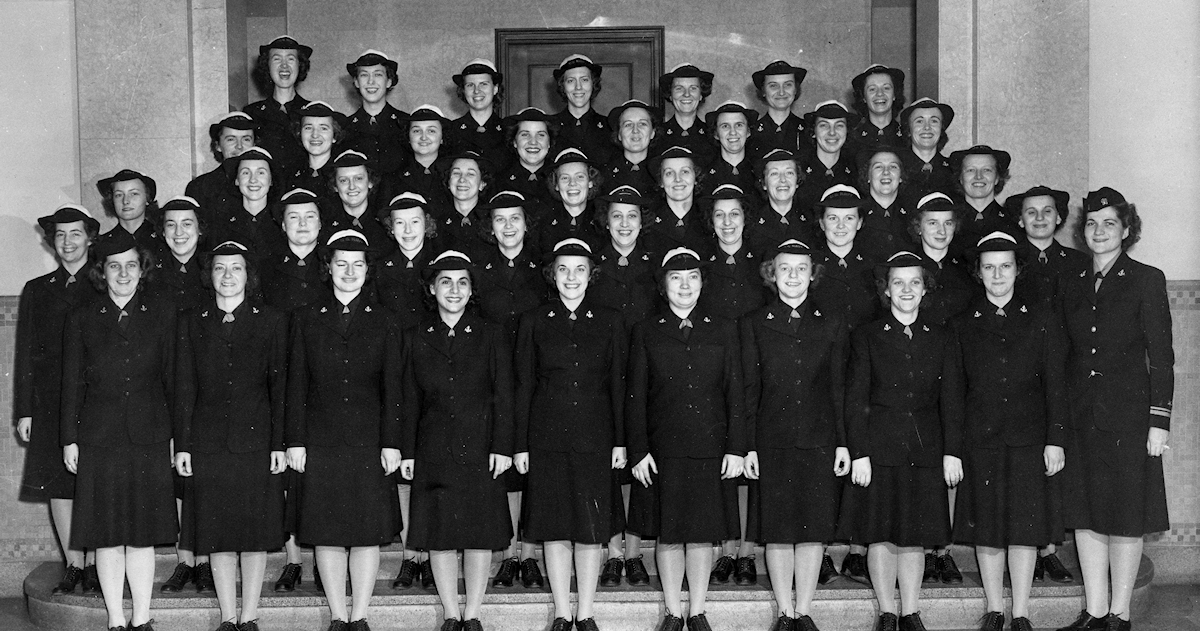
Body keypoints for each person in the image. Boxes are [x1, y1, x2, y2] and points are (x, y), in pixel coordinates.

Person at [1055, 188, 1174, 631]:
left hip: (1129, 418)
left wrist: (1158, 422)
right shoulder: (1070, 281)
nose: (1099, 231)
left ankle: (1120, 614)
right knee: (1085, 513)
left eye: (1109, 223)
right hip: (1081, 415)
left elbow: (1162, 356)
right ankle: (1096, 610)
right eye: (1091, 223)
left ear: (1126, 229)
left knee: (1125, 515)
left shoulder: (1146, 279)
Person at [837, 250, 964, 631]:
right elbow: (856, 398)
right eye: (898, 282)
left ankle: (910, 611)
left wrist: (952, 452)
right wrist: (859, 453)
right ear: (886, 290)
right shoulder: (867, 336)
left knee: (915, 535)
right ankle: (887, 610)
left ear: (925, 289)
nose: (906, 289)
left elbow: (952, 399)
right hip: (880, 448)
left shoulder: (941, 336)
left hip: (926, 450)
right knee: (880, 534)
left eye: (914, 282)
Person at [949, 232, 1068, 631]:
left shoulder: (1041, 317)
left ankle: (1021, 612)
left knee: (1023, 528)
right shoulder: (964, 323)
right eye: (989, 267)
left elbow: (1055, 383)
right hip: (980, 439)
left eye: (1005, 265)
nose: (997, 274)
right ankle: (995, 608)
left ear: (1018, 269)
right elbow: (955, 390)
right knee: (988, 528)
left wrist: (1055, 439)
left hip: (1028, 438)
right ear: (978, 274)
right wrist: (955, 446)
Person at [61, 230, 179, 631]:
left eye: (131, 265)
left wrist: (176, 437)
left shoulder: (162, 314)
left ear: (141, 269)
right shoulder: (82, 318)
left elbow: (174, 381)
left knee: (142, 535)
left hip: (149, 435)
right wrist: (69, 438)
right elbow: (72, 383)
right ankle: (115, 619)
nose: (123, 273)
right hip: (99, 436)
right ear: (102, 271)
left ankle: (142, 618)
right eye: (114, 266)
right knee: (108, 535)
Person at [285, 230, 402, 631]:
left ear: (368, 271)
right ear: (328, 268)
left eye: (357, 265)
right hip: (321, 439)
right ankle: (338, 615)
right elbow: (296, 384)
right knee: (327, 530)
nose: (349, 272)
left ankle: (361, 615)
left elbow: (393, 387)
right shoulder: (305, 317)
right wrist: (295, 441)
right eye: (340, 263)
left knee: (366, 531)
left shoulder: (385, 320)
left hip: (369, 439)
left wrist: (391, 442)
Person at [627, 247, 746, 631]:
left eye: (692, 277)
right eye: (676, 278)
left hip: (710, 446)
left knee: (700, 534)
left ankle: (697, 609)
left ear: (701, 283)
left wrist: (736, 448)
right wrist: (640, 450)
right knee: (669, 533)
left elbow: (736, 394)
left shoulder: (723, 329)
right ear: (664, 286)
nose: (684, 285)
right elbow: (636, 397)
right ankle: (673, 610)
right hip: (664, 449)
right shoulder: (646, 331)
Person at [173, 240, 288, 631]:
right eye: (220, 268)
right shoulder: (192, 320)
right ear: (210, 275)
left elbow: (280, 387)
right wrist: (184, 444)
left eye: (235, 268)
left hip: (256, 440)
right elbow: (184, 387)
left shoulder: (271, 320)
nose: (227, 276)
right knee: (217, 533)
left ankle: (250, 615)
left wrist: (279, 444)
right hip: (207, 443)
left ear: (247, 275)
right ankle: (227, 616)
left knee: (253, 534)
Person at [514, 238, 628, 631]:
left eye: (580, 269)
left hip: (596, 433)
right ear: (553, 274)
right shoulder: (534, 320)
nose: (571, 277)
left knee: (590, 527)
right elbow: (523, 385)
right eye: (563, 269)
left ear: (591, 275)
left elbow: (617, 384)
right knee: (555, 523)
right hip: (547, 434)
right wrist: (520, 444)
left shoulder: (611, 320)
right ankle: (563, 611)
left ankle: (586, 611)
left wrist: (620, 440)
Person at [401, 250, 515, 631]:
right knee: (440, 533)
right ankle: (452, 612)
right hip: (433, 446)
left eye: (462, 282)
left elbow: (504, 394)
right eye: (445, 281)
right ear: (432, 288)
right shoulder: (416, 335)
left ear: (472, 290)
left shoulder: (490, 334)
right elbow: (409, 396)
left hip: (481, 446)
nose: (454, 289)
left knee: (479, 533)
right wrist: (407, 451)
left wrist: (502, 446)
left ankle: (473, 613)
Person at [742, 239, 850, 631]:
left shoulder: (832, 323)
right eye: (784, 268)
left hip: (819, 439)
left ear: (812, 274)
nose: (792, 276)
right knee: (778, 529)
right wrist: (748, 444)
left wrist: (842, 442)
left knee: (810, 529)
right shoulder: (754, 323)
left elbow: (839, 388)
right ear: (772, 274)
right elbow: (749, 389)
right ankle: (784, 610)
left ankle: (803, 610)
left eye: (800, 268)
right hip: (772, 439)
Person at [16, 205, 102, 596]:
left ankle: (100, 563)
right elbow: (26, 352)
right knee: (58, 484)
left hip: (95, 398)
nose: (68, 242)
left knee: (96, 481)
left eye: (76, 234)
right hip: (50, 401)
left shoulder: (105, 283)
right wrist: (24, 410)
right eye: (61, 235)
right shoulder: (37, 289)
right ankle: (74, 565)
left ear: (90, 238)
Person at [808, 186, 882, 584]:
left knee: (860, 453)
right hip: (820, 373)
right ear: (821, 223)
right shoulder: (810, 265)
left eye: (849, 217)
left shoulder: (874, 268)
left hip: (865, 372)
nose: (840, 225)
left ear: (860, 221)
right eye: (832, 218)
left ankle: (856, 548)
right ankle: (817, 549)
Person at [474, 190, 547, 590]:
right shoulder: (481, 272)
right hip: (494, 379)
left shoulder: (542, 270)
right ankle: (507, 556)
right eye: (499, 220)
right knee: (503, 467)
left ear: (525, 223)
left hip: (537, 376)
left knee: (531, 464)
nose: (507, 227)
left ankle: (530, 555)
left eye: (514, 219)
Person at [589, 186, 657, 588]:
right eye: (617, 216)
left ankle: (633, 553)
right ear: (606, 220)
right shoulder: (593, 264)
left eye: (632, 216)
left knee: (640, 461)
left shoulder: (653, 263)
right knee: (609, 466)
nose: (625, 224)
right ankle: (613, 551)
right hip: (607, 374)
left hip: (647, 374)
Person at [258, 189, 324, 593]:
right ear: (282, 225)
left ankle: (323, 554)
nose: (302, 224)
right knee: (286, 469)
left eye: (309, 217)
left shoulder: (335, 265)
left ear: (321, 223)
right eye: (293, 218)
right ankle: (294, 558)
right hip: (275, 375)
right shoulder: (267, 268)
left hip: (323, 379)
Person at [150, 196, 214, 596]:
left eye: (186, 224)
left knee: (201, 472)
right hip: (161, 383)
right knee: (175, 475)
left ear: (199, 228)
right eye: (171, 225)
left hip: (204, 385)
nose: (179, 232)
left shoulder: (214, 271)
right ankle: (183, 560)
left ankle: (205, 560)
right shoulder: (152, 274)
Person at [244, 35, 312, 177]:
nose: (284, 65)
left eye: (291, 59)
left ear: (300, 65)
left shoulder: (312, 112)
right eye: (277, 59)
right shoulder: (251, 113)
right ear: (267, 66)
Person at [343, 50, 408, 183]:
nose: (371, 81)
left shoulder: (407, 123)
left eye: (378, 75)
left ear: (389, 81)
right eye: (364, 75)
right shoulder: (344, 127)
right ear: (356, 82)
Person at [912, 192, 976, 329]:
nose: (942, 231)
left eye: (948, 223)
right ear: (918, 227)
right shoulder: (908, 268)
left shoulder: (967, 268)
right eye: (933, 223)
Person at [212, 147, 287, 258]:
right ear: (237, 180)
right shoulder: (221, 223)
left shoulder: (283, 221)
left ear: (271, 180)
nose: (253, 180)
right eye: (245, 172)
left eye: (261, 173)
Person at [187, 112, 259, 222]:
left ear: (254, 145)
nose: (239, 146)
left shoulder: (268, 184)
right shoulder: (200, 187)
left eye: (246, 139)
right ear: (218, 146)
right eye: (231, 139)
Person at [323, 149, 394, 256]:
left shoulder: (385, 225)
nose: (352, 186)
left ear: (370, 182)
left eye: (358, 178)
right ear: (335, 186)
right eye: (343, 180)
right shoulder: (326, 226)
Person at [643, 146, 711, 256]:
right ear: (661, 181)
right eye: (669, 173)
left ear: (696, 178)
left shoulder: (708, 219)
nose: (678, 179)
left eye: (685, 171)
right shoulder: (648, 222)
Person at [949, 145, 1019, 250]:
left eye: (987, 170)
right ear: (960, 178)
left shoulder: (1012, 221)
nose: (978, 176)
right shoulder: (948, 222)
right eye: (970, 170)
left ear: (997, 178)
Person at [549, 54, 613, 165]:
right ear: (562, 86)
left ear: (593, 84)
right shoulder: (548, 127)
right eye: (570, 81)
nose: (578, 87)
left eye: (584, 80)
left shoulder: (610, 127)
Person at [447, 59, 509, 172]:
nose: (476, 91)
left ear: (495, 89)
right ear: (463, 91)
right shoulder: (450, 130)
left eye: (483, 84)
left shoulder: (509, 130)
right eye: (470, 85)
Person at [752, 149, 818, 249]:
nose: (783, 180)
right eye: (774, 173)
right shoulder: (751, 223)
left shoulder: (812, 221)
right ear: (764, 183)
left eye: (789, 173)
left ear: (797, 181)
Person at [538, 149, 603, 252]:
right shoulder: (543, 224)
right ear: (556, 185)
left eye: (580, 177)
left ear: (590, 182)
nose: (572, 183)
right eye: (565, 178)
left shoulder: (602, 221)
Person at [798, 101, 859, 209]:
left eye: (839, 125)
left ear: (847, 131)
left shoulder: (855, 171)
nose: (832, 132)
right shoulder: (798, 169)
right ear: (813, 132)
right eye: (824, 125)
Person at [497, 107, 556, 217]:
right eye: (525, 134)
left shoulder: (560, 179)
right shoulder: (499, 181)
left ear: (549, 143)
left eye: (541, 135)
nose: (533, 142)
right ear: (514, 141)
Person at [287, 100, 347, 209]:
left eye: (323, 128)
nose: (315, 135)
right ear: (300, 133)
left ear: (334, 135)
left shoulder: (343, 175)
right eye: (308, 128)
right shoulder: (289, 175)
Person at [654, 63, 716, 167]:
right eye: (679, 88)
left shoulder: (712, 134)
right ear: (670, 95)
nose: (686, 94)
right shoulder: (656, 135)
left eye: (693, 88)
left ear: (701, 95)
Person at [748, 60, 809, 161]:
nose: (781, 92)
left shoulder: (808, 130)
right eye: (773, 85)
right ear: (763, 91)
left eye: (788, 85)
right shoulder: (751, 132)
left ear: (795, 89)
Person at [856, 148, 913, 255]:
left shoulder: (912, 213)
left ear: (901, 176)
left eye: (893, 167)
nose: (886, 172)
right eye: (878, 167)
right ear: (868, 176)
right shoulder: (856, 213)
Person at [436, 150, 492, 257]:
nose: (462, 179)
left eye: (470, 174)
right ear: (448, 182)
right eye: (456, 173)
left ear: (482, 183)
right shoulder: (438, 221)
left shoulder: (492, 220)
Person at [97, 169, 163, 256]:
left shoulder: (163, 241)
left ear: (147, 198)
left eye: (134, 194)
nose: (125, 201)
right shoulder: (101, 245)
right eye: (119, 195)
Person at [898, 98, 955, 198]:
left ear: (941, 129)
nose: (927, 127)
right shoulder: (896, 169)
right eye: (919, 121)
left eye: (934, 121)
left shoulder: (953, 170)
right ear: (908, 130)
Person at [700, 101, 758, 197]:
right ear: (716, 134)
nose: (733, 132)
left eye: (739, 125)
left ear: (748, 131)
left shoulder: (758, 171)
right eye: (725, 126)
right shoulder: (705, 174)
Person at [397, 105, 452, 204]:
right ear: (408, 137)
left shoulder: (454, 175)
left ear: (442, 137)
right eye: (416, 131)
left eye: (431, 131)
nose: (423, 137)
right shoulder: (393, 178)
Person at [848, 65, 906, 154]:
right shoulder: (852, 138)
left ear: (894, 95)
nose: (879, 94)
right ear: (863, 97)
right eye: (872, 89)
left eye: (886, 88)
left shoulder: (907, 136)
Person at [605, 99, 659, 193]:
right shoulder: (605, 174)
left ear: (652, 133)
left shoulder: (661, 172)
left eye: (642, 124)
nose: (635, 130)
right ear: (619, 135)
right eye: (628, 124)